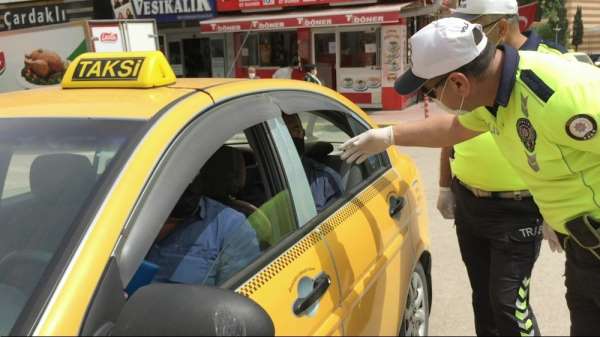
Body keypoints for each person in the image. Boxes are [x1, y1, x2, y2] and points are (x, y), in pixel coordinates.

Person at [340, 17, 600, 336]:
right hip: (583, 248)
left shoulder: (556, 95)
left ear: (460, 83)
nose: (431, 101)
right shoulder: (497, 95)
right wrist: (387, 136)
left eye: (430, 92)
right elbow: (455, 129)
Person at [432, 1, 568, 336]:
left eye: (474, 27)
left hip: (518, 208)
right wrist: (446, 186)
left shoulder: (549, 63)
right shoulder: (476, 68)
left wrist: (556, 207)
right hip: (470, 202)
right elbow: (453, 128)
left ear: (502, 28)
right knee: (484, 300)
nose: (467, 35)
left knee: (509, 304)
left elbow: (569, 143)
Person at [147, 149, 261, 287]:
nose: (183, 183)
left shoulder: (231, 226)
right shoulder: (127, 214)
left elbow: (234, 299)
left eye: (191, 174)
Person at [282, 113, 343, 212]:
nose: (285, 136)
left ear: (302, 133)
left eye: (295, 129)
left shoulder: (325, 180)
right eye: (282, 131)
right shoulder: (255, 178)